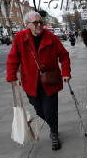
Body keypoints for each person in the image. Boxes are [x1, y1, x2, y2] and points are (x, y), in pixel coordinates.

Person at [6, 11, 71, 150]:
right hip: (31, 83)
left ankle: (54, 134)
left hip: (50, 81)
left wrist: (66, 72)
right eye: (35, 23)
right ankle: (53, 125)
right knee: (39, 110)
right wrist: (12, 77)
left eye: (41, 22)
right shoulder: (20, 38)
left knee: (49, 111)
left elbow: (64, 56)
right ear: (26, 24)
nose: (39, 25)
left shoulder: (51, 37)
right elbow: (13, 58)